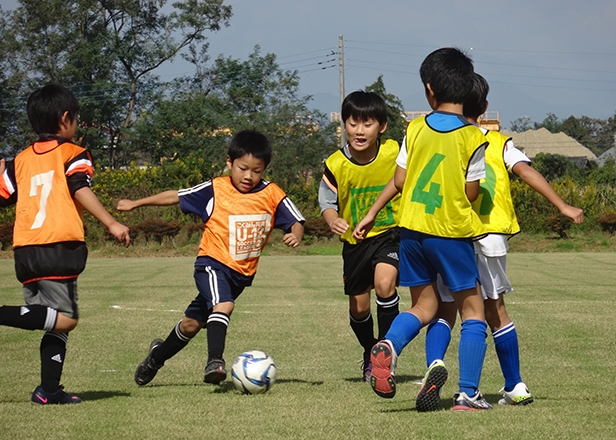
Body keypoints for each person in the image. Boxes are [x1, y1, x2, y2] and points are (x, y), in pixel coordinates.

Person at [428, 73, 584, 406]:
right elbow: (526, 171)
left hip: (451, 234)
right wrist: (562, 205)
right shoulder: (500, 144)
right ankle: (514, 385)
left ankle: (435, 369)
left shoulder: (442, 138)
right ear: (484, 107)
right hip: (492, 235)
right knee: (494, 309)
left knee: (446, 308)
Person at [354, 47, 492, 411]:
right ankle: (468, 394)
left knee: (424, 306)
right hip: (450, 232)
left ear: (429, 89)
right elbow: (471, 192)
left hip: (411, 231)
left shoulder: (414, 129)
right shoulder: (474, 137)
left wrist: (371, 213)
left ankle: (390, 345)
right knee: (473, 311)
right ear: (466, 89)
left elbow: (399, 179)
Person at [118, 130, 305, 386]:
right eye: (242, 168)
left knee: (190, 326)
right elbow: (176, 195)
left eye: (256, 170)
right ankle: (215, 362)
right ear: (229, 163)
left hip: (240, 276)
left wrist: (296, 233)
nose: (249, 176)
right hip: (212, 264)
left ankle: (155, 358)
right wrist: (135, 204)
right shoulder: (216, 189)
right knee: (224, 305)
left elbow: (296, 220)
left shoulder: (272, 194)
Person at [0, 83, 131, 405]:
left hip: (25, 250)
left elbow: (3, 197)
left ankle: (49, 390)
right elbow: (78, 187)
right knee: (66, 317)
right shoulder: (73, 154)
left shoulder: (19, 161)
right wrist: (111, 222)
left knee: (52, 322)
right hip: (58, 247)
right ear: (65, 119)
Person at [318, 90, 401, 381]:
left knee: (384, 284)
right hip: (355, 243)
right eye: (353, 123)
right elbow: (327, 202)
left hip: (389, 234)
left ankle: (386, 351)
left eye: (367, 124)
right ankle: (370, 352)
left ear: (382, 127)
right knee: (358, 307)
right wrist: (333, 220)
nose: (359, 131)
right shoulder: (336, 164)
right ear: (344, 125)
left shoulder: (394, 152)